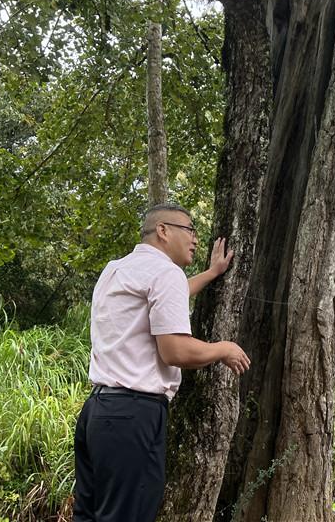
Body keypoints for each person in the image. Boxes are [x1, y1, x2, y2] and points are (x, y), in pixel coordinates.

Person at [73, 203, 250, 522]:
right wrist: (223, 349)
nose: (196, 239)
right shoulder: (165, 272)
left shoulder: (117, 269)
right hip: (133, 415)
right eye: (189, 230)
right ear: (163, 231)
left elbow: (170, 295)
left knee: (89, 515)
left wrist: (211, 273)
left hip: (97, 414)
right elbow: (175, 352)